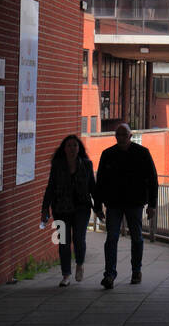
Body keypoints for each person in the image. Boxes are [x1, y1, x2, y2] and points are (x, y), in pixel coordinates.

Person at [94, 123, 159, 289]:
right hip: (114, 203)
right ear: (115, 137)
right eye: (118, 135)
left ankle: (136, 271)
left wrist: (152, 204)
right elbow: (100, 182)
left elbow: (152, 179)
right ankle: (109, 274)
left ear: (130, 136)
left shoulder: (142, 153)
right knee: (111, 238)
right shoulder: (107, 154)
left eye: (124, 135)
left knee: (137, 238)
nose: (121, 138)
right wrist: (97, 205)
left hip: (135, 203)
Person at [41, 134, 98, 287]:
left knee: (79, 239)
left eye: (75, 145)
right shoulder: (58, 165)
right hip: (61, 209)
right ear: (64, 149)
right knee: (64, 242)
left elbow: (92, 187)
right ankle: (66, 274)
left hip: (82, 208)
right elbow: (50, 187)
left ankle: (79, 264)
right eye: (69, 146)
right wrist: (45, 208)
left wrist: (98, 208)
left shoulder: (86, 164)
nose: (72, 148)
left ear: (79, 148)